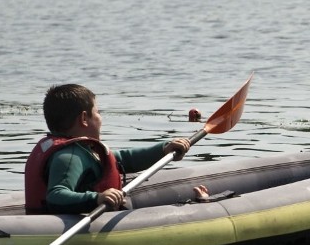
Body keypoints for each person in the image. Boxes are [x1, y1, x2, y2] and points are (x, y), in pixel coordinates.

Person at [25, 84, 191, 214]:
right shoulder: (69, 156)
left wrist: (163, 150)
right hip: (57, 227)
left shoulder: (79, 150)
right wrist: (97, 198)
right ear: (84, 118)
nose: (100, 118)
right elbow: (55, 196)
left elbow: (122, 159)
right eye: (97, 112)